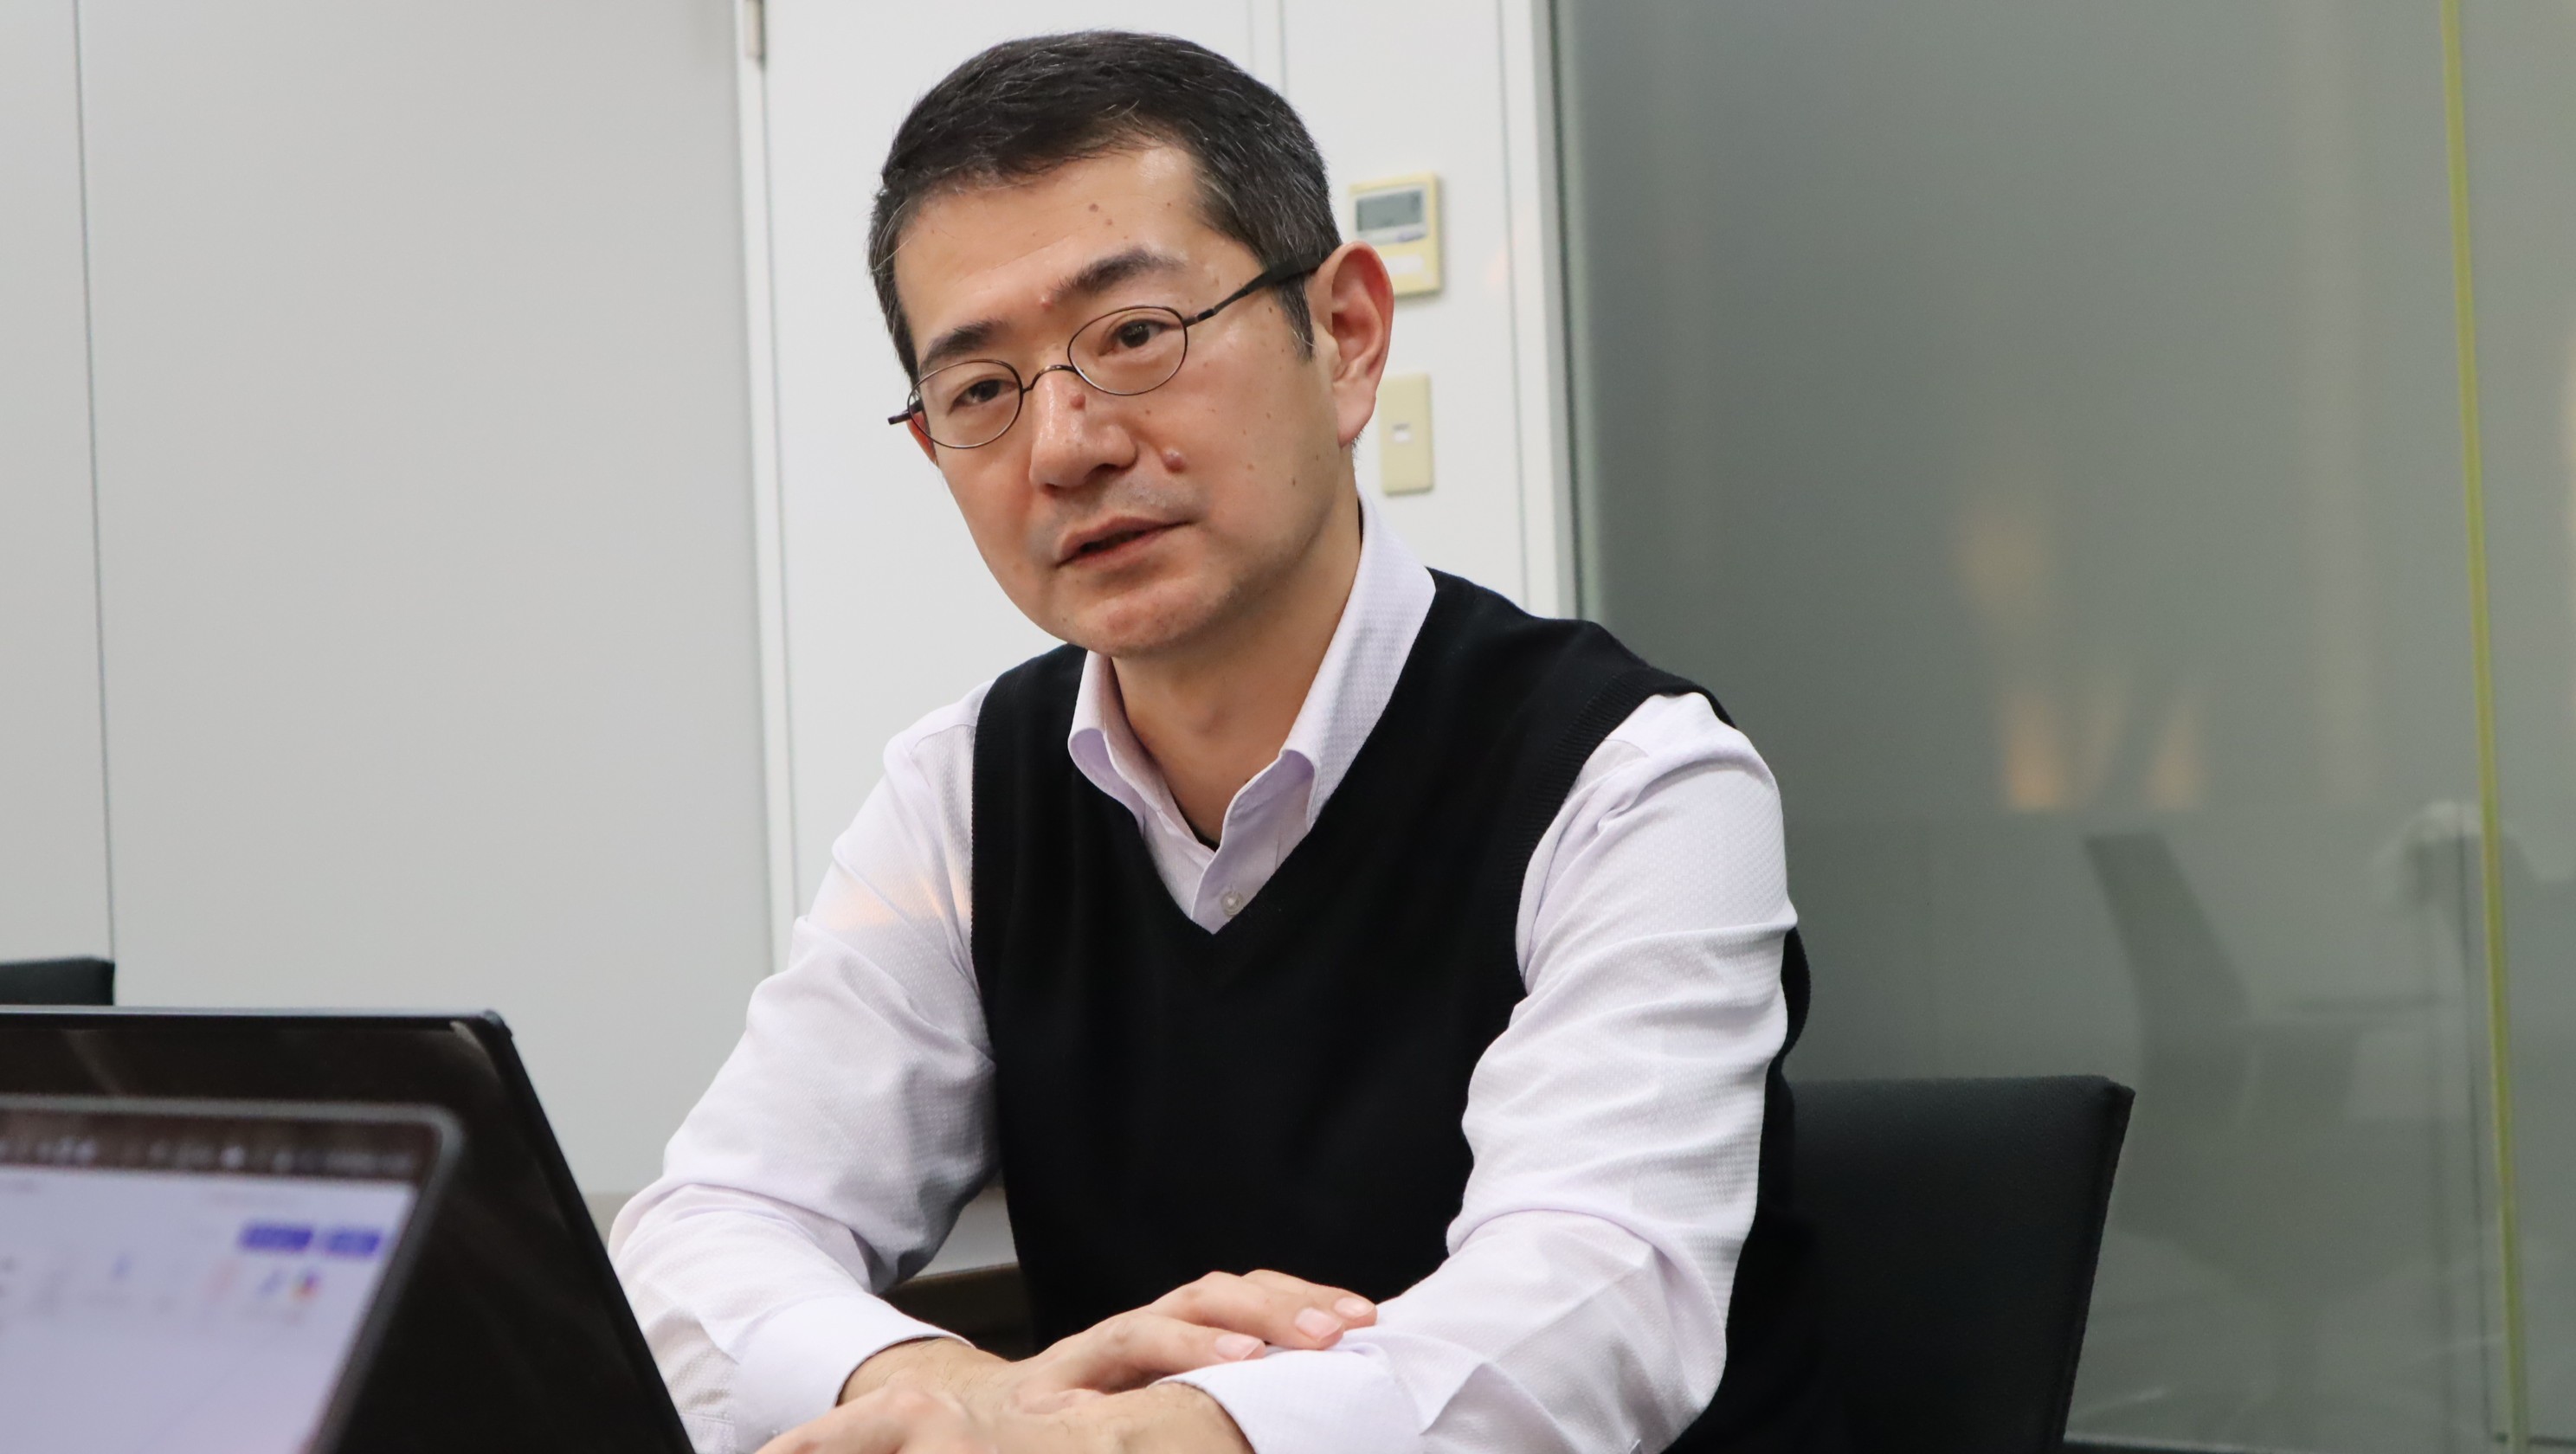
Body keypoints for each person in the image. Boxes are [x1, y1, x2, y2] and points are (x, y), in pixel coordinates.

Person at [611, 29, 1836, 1454]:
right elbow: (710, 1229)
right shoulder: (962, 797)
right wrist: (946, 1393)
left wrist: (1163, 1433)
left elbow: (1590, 1303)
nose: (1064, 447)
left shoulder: (1633, 781)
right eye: (981, 390)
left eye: (1135, 335)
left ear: (1348, 337)